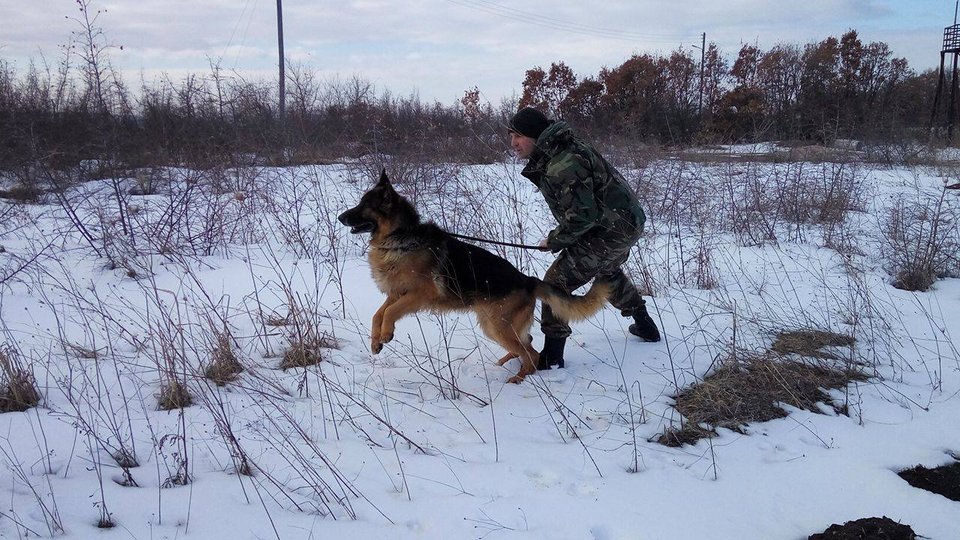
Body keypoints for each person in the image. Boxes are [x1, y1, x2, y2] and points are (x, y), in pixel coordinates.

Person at [507, 106, 661, 370]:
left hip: (610, 229)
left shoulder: (562, 163)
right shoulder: (561, 150)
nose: (513, 143)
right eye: (511, 136)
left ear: (533, 135)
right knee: (607, 270)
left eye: (517, 136)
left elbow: (582, 217)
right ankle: (645, 326)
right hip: (622, 224)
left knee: (555, 285)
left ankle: (553, 358)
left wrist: (554, 240)